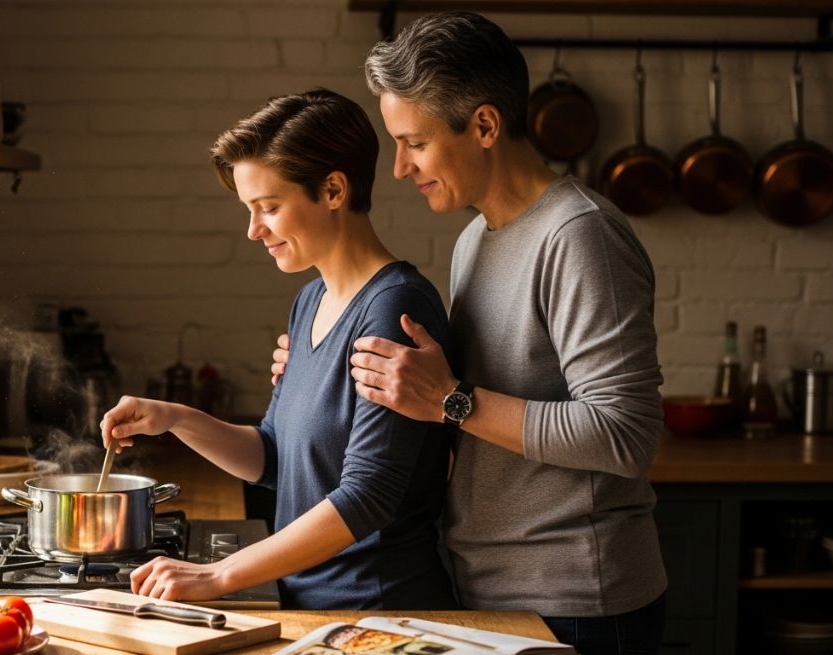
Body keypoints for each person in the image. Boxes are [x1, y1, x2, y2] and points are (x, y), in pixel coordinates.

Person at [269, 12, 667, 654]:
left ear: (484, 125)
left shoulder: (579, 235)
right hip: (487, 587)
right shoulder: (473, 241)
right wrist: (323, 378)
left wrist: (450, 399)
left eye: (415, 142)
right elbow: (458, 408)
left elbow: (625, 435)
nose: (399, 167)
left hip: (578, 600)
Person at [100, 88, 458, 610]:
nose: (252, 230)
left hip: (377, 610)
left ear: (334, 190)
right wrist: (174, 418)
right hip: (305, 604)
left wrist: (220, 574)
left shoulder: (396, 308)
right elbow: (273, 457)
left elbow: (367, 497)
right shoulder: (310, 300)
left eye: (268, 207)